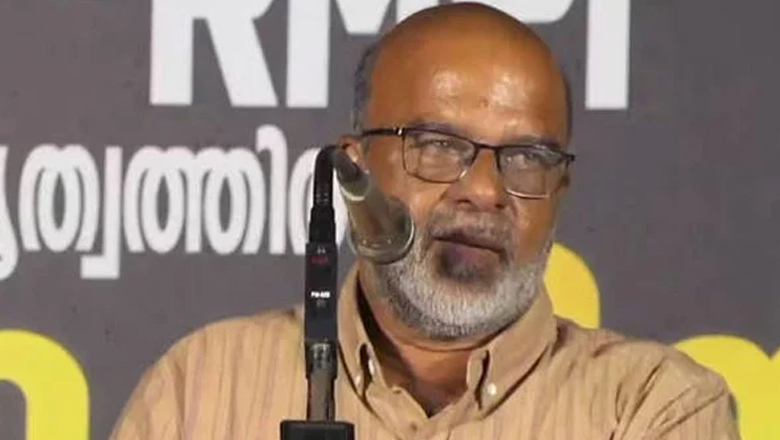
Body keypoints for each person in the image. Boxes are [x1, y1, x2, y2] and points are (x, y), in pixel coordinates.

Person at [110, 3, 739, 439]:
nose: (485, 191)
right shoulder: (203, 385)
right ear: (355, 168)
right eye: (438, 145)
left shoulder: (654, 408)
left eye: (527, 158)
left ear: (559, 191)